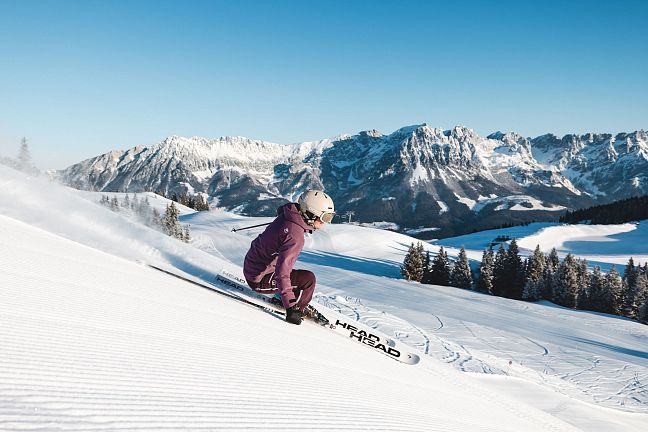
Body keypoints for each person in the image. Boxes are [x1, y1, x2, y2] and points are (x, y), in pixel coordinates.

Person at [243, 190, 335, 325]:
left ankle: (284, 297)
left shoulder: (288, 216)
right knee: (308, 280)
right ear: (310, 213)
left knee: (297, 277)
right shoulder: (295, 236)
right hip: (259, 279)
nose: (325, 223)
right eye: (325, 217)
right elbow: (282, 273)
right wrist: (290, 308)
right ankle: (298, 308)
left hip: (254, 266)